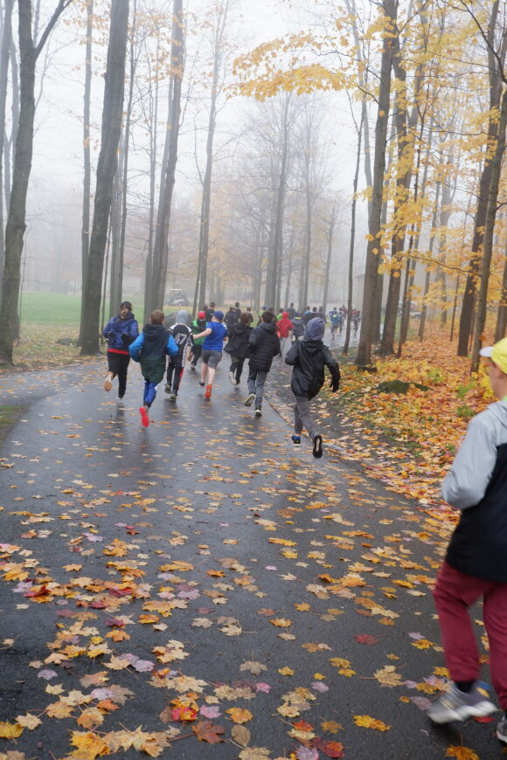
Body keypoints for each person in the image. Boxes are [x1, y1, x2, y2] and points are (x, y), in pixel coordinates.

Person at [427, 337, 507, 736]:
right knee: (504, 624)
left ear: (503, 373)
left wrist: (447, 488)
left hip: (485, 539)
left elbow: (467, 490)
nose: (489, 373)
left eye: (493, 367)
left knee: (449, 595)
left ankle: (463, 689)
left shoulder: (490, 423)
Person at [285, 317, 340, 458]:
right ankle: (297, 436)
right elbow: (332, 364)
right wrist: (336, 379)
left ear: (308, 330)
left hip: (300, 384)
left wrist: (295, 352)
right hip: (314, 385)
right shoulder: (323, 349)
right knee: (298, 408)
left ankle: (314, 435)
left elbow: (289, 360)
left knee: (304, 413)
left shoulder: (300, 344)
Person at [129, 310, 178, 427]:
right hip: (158, 363)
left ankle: (145, 410)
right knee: (153, 385)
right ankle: (146, 405)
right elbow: (174, 350)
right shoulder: (166, 334)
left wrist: (137, 358)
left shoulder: (145, 332)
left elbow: (133, 347)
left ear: (150, 320)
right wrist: (169, 353)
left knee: (147, 382)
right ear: (163, 321)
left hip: (145, 362)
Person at [244, 311, 280, 417]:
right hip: (266, 361)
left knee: (251, 378)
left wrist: (251, 351)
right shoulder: (274, 333)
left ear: (262, 319)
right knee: (260, 384)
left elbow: (252, 343)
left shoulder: (257, 330)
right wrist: (269, 354)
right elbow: (277, 349)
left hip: (255, 358)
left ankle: (251, 393)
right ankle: (258, 407)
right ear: (272, 319)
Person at [103, 301, 139, 399]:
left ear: (120, 310)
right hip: (125, 350)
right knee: (122, 372)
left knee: (112, 369)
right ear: (131, 310)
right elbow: (135, 335)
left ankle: (109, 376)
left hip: (112, 349)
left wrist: (109, 340)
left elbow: (105, 332)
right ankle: (121, 393)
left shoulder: (113, 320)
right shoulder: (132, 322)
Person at [193, 309, 228, 400]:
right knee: (212, 367)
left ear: (213, 317)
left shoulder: (210, 324)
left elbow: (208, 331)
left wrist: (196, 336)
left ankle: (202, 381)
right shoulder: (224, 327)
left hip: (206, 348)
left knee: (204, 363)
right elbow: (225, 338)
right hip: (217, 350)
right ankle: (209, 384)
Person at [165, 310, 193, 400]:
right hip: (181, 354)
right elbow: (191, 343)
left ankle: (168, 383)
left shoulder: (172, 327)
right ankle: (174, 391)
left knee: (170, 367)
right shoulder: (189, 330)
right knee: (178, 372)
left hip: (172, 352)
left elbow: (167, 339)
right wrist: (191, 353)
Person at [225, 312, 252, 386]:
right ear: (248, 320)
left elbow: (230, 335)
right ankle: (237, 380)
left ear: (240, 319)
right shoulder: (250, 330)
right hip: (243, 350)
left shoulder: (234, 327)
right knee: (240, 365)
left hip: (234, 347)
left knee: (234, 362)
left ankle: (231, 371)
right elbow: (251, 340)